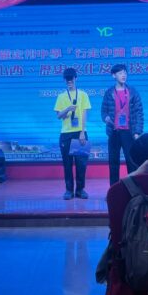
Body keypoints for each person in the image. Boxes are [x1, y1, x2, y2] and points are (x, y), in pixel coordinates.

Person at [101, 64, 144, 186]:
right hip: (114, 132)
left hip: (129, 132)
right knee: (113, 163)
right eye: (120, 73)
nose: (123, 75)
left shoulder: (133, 92)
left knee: (131, 162)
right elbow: (103, 111)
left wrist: (137, 132)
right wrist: (106, 118)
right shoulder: (109, 93)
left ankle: (133, 189)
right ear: (113, 75)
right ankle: (113, 190)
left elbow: (139, 113)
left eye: (125, 72)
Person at [54, 68, 91, 200]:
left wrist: (82, 132)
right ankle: (69, 190)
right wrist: (68, 109)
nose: (69, 81)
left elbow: (84, 114)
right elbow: (59, 116)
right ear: (65, 80)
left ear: (76, 78)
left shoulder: (83, 95)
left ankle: (80, 190)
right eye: (67, 79)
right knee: (67, 164)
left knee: (81, 164)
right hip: (66, 134)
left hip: (80, 133)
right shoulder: (61, 96)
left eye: (71, 79)